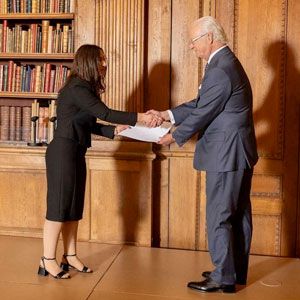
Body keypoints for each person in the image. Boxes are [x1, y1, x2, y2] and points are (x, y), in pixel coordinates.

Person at [148, 16, 258, 293]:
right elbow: (201, 103)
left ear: (209, 37)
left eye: (193, 41)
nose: (191, 47)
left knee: (220, 214)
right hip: (237, 153)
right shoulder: (224, 63)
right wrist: (166, 114)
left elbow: (203, 112)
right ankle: (233, 272)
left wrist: (174, 135)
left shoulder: (220, 68)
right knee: (238, 213)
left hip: (226, 154)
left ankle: (223, 277)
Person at [38, 44, 162, 279]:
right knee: (59, 206)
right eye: (100, 60)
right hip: (62, 152)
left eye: (104, 59)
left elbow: (89, 122)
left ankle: (70, 256)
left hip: (75, 151)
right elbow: (106, 113)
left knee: (73, 206)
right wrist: (142, 118)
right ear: (88, 61)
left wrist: (113, 132)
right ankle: (47, 260)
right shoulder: (76, 88)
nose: (104, 64)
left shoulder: (84, 89)